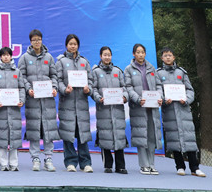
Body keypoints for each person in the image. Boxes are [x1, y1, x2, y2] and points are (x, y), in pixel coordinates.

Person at [157, 48, 206, 177]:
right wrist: (164, 99)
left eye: (170, 55)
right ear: (162, 58)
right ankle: (179, 166)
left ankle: (195, 167)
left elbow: (190, 89)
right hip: (169, 110)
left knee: (189, 138)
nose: (168, 57)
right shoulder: (158, 73)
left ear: (174, 57)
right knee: (174, 138)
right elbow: (158, 90)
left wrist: (187, 99)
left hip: (183, 110)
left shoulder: (181, 72)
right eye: (165, 55)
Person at [17, 28, 58, 172]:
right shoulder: (24, 58)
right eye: (34, 40)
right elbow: (21, 77)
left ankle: (48, 158)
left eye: (38, 39)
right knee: (34, 129)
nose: (36, 42)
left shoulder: (49, 57)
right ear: (30, 42)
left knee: (48, 129)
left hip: (47, 101)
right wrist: (28, 89)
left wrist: (54, 88)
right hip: (33, 100)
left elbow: (54, 75)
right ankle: (35, 158)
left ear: (42, 40)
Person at [55, 33, 94, 172]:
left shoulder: (84, 62)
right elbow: (57, 80)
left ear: (78, 45)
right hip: (67, 104)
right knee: (68, 134)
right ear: (66, 45)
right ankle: (70, 162)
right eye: (70, 44)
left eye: (75, 44)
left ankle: (86, 163)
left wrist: (88, 89)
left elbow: (91, 80)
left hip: (81, 104)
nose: (73, 46)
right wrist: (64, 89)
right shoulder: (60, 62)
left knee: (82, 134)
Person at [124, 43, 163, 175]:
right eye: (138, 52)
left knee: (152, 136)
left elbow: (159, 85)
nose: (140, 54)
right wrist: (137, 99)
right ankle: (144, 165)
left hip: (152, 107)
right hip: (138, 107)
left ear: (145, 54)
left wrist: (159, 96)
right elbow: (128, 87)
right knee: (141, 136)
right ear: (134, 54)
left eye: (142, 52)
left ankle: (152, 164)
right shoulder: (128, 69)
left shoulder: (152, 68)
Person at [91, 46, 128, 174]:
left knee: (119, 135)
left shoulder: (118, 71)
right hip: (103, 109)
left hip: (117, 109)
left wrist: (125, 97)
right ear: (100, 56)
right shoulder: (95, 72)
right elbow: (93, 89)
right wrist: (98, 98)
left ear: (111, 56)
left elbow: (125, 87)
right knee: (105, 135)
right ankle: (107, 165)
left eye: (109, 55)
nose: (107, 57)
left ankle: (120, 166)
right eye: (105, 55)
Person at [0, 46, 25, 171]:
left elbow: (22, 88)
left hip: (14, 110)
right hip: (1, 111)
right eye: (3, 55)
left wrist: (21, 100)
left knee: (14, 137)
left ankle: (14, 164)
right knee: (2, 137)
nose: (6, 57)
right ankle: (3, 163)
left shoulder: (17, 72)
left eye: (8, 55)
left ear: (11, 56)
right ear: (0, 57)